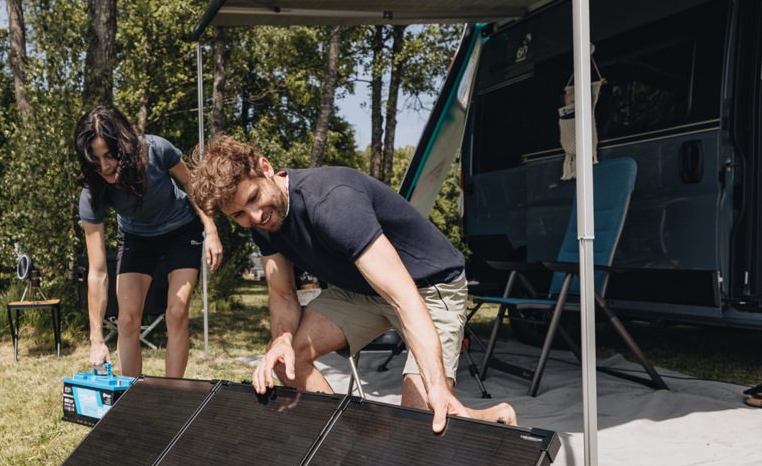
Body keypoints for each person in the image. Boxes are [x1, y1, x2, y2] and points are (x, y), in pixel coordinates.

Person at [189, 136, 517, 433]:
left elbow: (404, 297)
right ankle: (345, 441)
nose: (255, 216)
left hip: (428, 287)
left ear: (266, 168)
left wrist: (436, 386)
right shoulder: (264, 224)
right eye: (239, 215)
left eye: (254, 197)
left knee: (419, 426)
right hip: (364, 290)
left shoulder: (331, 202)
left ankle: (490, 418)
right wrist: (281, 341)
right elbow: (282, 292)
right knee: (286, 360)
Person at [76, 105, 222, 378]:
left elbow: (192, 185)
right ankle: (132, 394)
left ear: (123, 147)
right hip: (135, 238)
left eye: (109, 155)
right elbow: (97, 272)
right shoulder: (92, 193)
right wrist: (96, 340)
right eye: (95, 159)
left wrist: (210, 229)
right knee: (127, 320)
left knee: (176, 313)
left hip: (181, 230)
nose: (104, 166)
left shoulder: (156, 150)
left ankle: (171, 393)